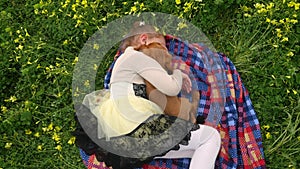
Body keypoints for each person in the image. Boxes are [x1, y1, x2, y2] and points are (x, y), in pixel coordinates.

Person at [74, 22, 221, 169]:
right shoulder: (135, 56)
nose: (165, 53)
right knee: (210, 137)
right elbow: (171, 87)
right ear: (144, 39)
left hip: (126, 137)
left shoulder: (123, 64)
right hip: (139, 126)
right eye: (162, 47)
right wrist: (178, 74)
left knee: (194, 148)